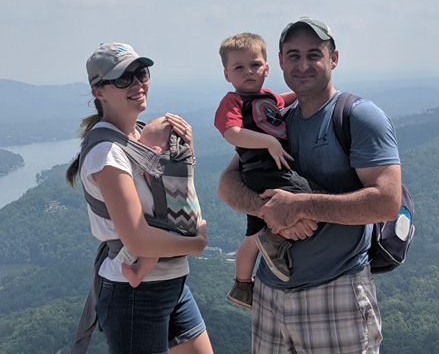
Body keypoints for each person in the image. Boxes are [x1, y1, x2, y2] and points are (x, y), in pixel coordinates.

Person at [218, 18, 402, 354]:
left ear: (333, 59)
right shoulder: (276, 117)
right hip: (270, 294)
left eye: (314, 54)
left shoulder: (358, 116)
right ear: (281, 62)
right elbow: (228, 184)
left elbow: (386, 202)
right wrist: (272, 211)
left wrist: (302, 206)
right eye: (294, 55)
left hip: (336, 292)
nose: (303, 65)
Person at [67, 43, 213, 354]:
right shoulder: (107, 154)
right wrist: (196, 244)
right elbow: (137, 239)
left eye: (140, 73)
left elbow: (175, 196)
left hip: (172, 284)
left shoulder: (142, 135)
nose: (137, 84)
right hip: (135, 295)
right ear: (99, 92)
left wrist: (186, 151)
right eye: (122, 79)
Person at [215, 32, 320, 310]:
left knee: (253, 232)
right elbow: (232, 133)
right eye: (239, 67)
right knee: (309, 198)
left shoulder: (269, 97)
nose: (249, 72)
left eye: (255, 65)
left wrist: (309, 89)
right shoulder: (233, 101)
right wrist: (269, 142)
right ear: (227, 74)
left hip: (264, 171)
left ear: (267, 68)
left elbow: (288, 98)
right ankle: (275, 238)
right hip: (265, 170)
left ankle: (242, 284)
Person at [117, 116, 201, 288]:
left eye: (142, 144)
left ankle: (138, 273)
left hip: (173, 226)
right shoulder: (183, 159)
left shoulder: (158, 163)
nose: (139, 144)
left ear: (155, 150)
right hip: (194, 221)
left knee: (152, 245)